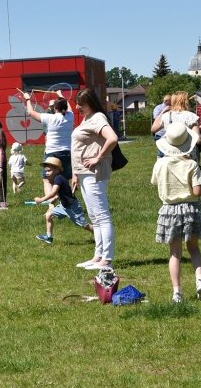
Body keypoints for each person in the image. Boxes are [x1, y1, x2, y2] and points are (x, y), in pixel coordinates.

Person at [151, 122, 201, 302]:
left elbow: (155, 182)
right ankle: (200, 281)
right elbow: (197, 191)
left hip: (169, 210)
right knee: (193, 248)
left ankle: (177, 292)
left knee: (175, 253)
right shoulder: (192, 164)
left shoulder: (160, 164)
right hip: (191, 208)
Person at [71, 88, 118, 271]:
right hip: (83, 173)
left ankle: (107, 259)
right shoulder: (87, 118)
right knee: (94, 216)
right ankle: (98, 256)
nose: (77, 107)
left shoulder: (98, 117)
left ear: (90, 103)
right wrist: (75, 173)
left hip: (94, 173)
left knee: (101, 215)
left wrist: (98, 157)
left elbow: (112, 138)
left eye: (81, 104)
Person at [24, 90, 74, 195]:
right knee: (65, 179)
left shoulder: (49, 118)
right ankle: (67, 204)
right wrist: (59, 94)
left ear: (55, 108)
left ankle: (51, 204)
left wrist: (27, 98)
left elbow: (31, 112)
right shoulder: (70, 116)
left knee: (47, 179)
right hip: (67, 152)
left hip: (52, 152)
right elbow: (69, 106)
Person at [35, 156, 93, 244]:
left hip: (72, 207)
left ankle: (100, 235)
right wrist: (55, 199)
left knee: (84, 225)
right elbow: (64, 193)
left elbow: (53, 192)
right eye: (46, 171)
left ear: (57, 170)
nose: (46, 173)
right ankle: (49, 237)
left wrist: (41, 199)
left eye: (49, 171)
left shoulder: (58, 179)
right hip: (64, 206)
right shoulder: (58, 178)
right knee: (48, 215)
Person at [150, 91, 200, 159]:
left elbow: (153, 129)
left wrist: (162, 112)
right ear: (186, 102)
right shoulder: (191, 116)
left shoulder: (166, 116)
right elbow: (198, 139)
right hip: (187, 153)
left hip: (169, 153)